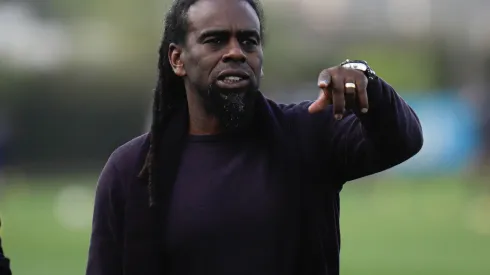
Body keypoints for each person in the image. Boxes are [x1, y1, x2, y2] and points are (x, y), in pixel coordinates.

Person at [85, 0, 423, 274]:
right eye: (215, 39)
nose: (236, 52)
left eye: (249, 40)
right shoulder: (133, 170)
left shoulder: (306, 134)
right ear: (178, 60)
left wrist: (366, 80)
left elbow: (403, 139)